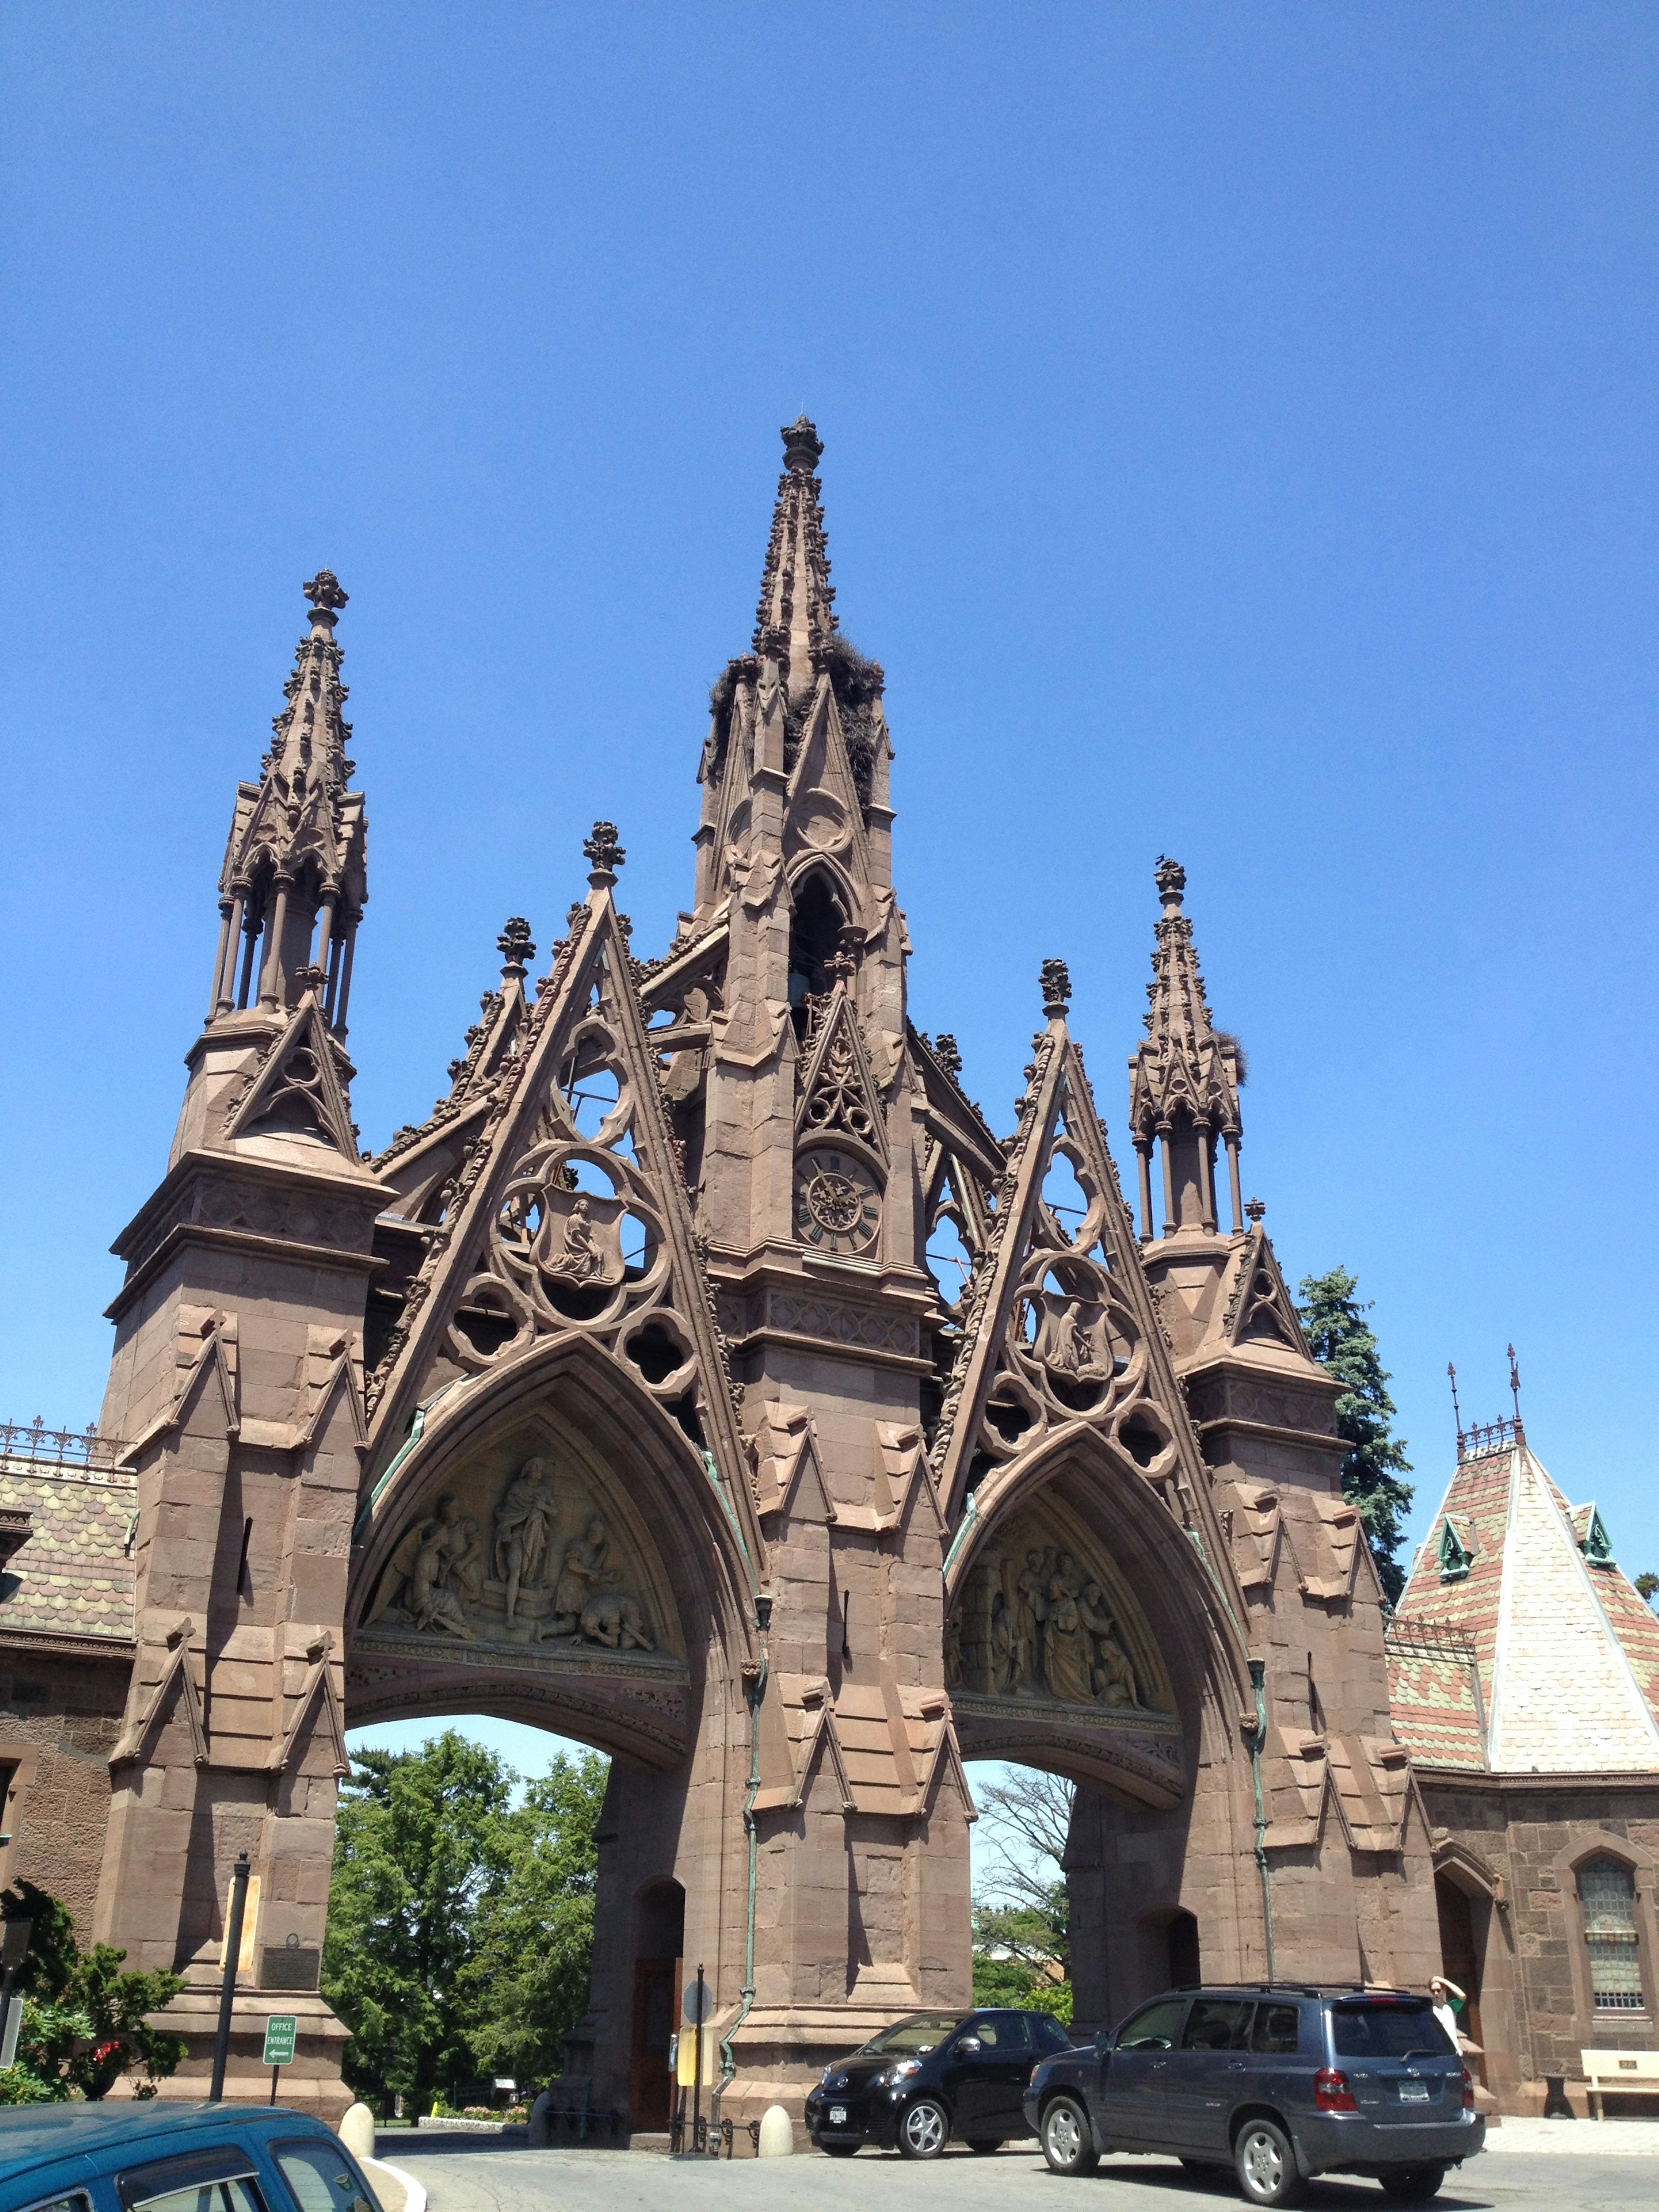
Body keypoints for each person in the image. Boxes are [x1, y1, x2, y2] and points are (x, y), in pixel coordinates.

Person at [1429, 1974, 1466, 2050]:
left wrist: (1444, 1981)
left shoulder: (1450, 2007)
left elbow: (1462, 1996)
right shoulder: (1430, 2009)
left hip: (1454, 2051)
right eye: (1433, 1991)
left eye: (1438, 1990)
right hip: (1438, 2051)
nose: (1436, 1994)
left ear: (1443, 1990)